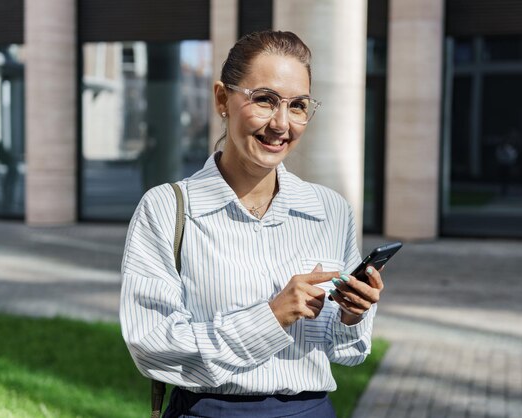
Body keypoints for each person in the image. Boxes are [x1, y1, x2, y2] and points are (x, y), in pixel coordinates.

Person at [120, 30, 384, 418]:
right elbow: (152, 345)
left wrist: (352, 315)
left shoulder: (331, 210)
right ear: (222, 99)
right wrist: (272, 316)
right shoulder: (165, 209)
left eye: (298, 106)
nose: (281, 124)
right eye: (264, 100)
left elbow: (345, 352)